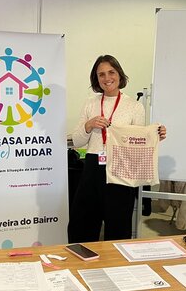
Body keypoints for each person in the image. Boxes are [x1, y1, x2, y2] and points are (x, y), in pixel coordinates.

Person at [68, 55, 166, 243]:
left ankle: (115, 260)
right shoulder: (90, 103)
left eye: (111, 72)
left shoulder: (134, 106)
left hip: (121, 170)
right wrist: (89, 125)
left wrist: (156, 136)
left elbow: (138, 142)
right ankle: (82, 258)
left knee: (118, 226)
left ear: (119, 74)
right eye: (101, 74)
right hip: (92, 168)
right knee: (82, 223)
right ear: (96, 79)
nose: (107, 78)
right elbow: (78, 141)